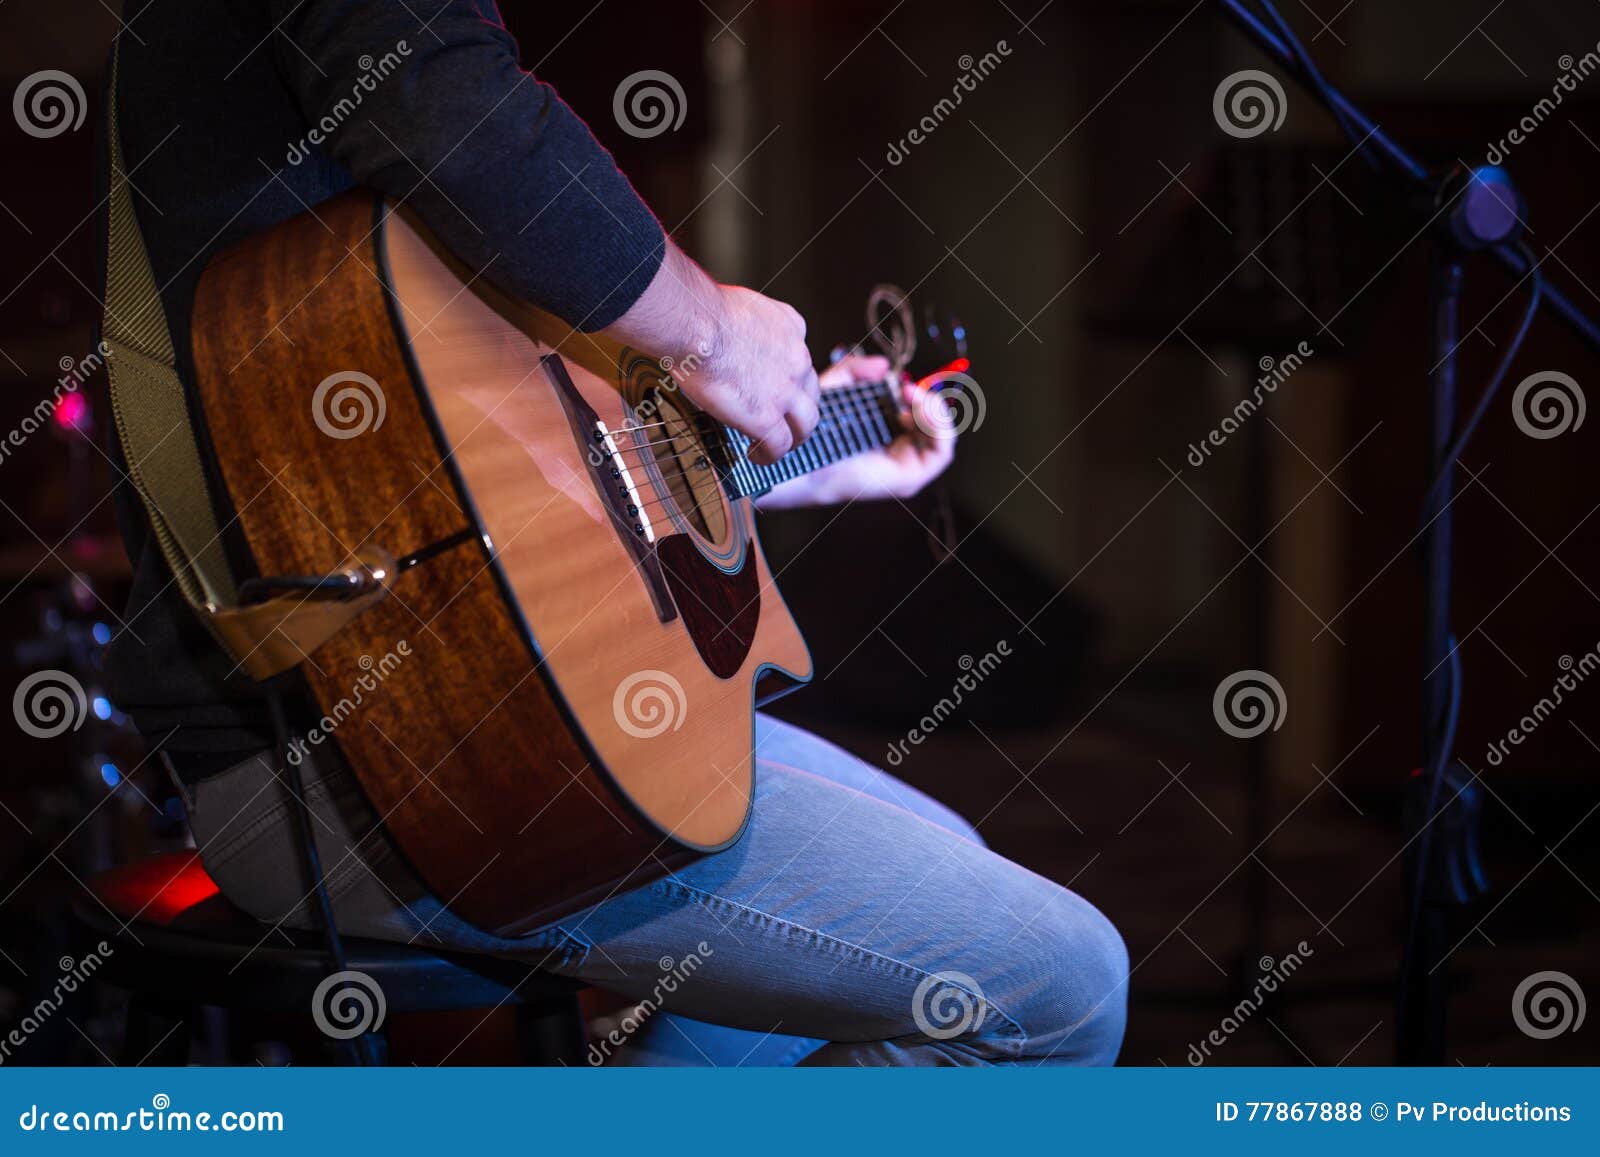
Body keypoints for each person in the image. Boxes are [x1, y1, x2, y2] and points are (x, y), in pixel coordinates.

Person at [104, 0, 1127, 1065]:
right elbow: (449, 106)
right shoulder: (379, 155)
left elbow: (501, 491)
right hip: (371, 763)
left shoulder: (350, 222)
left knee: (951, 871)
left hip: (459, 725)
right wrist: (713, 331)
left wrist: (783, 458)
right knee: (1052, 988)